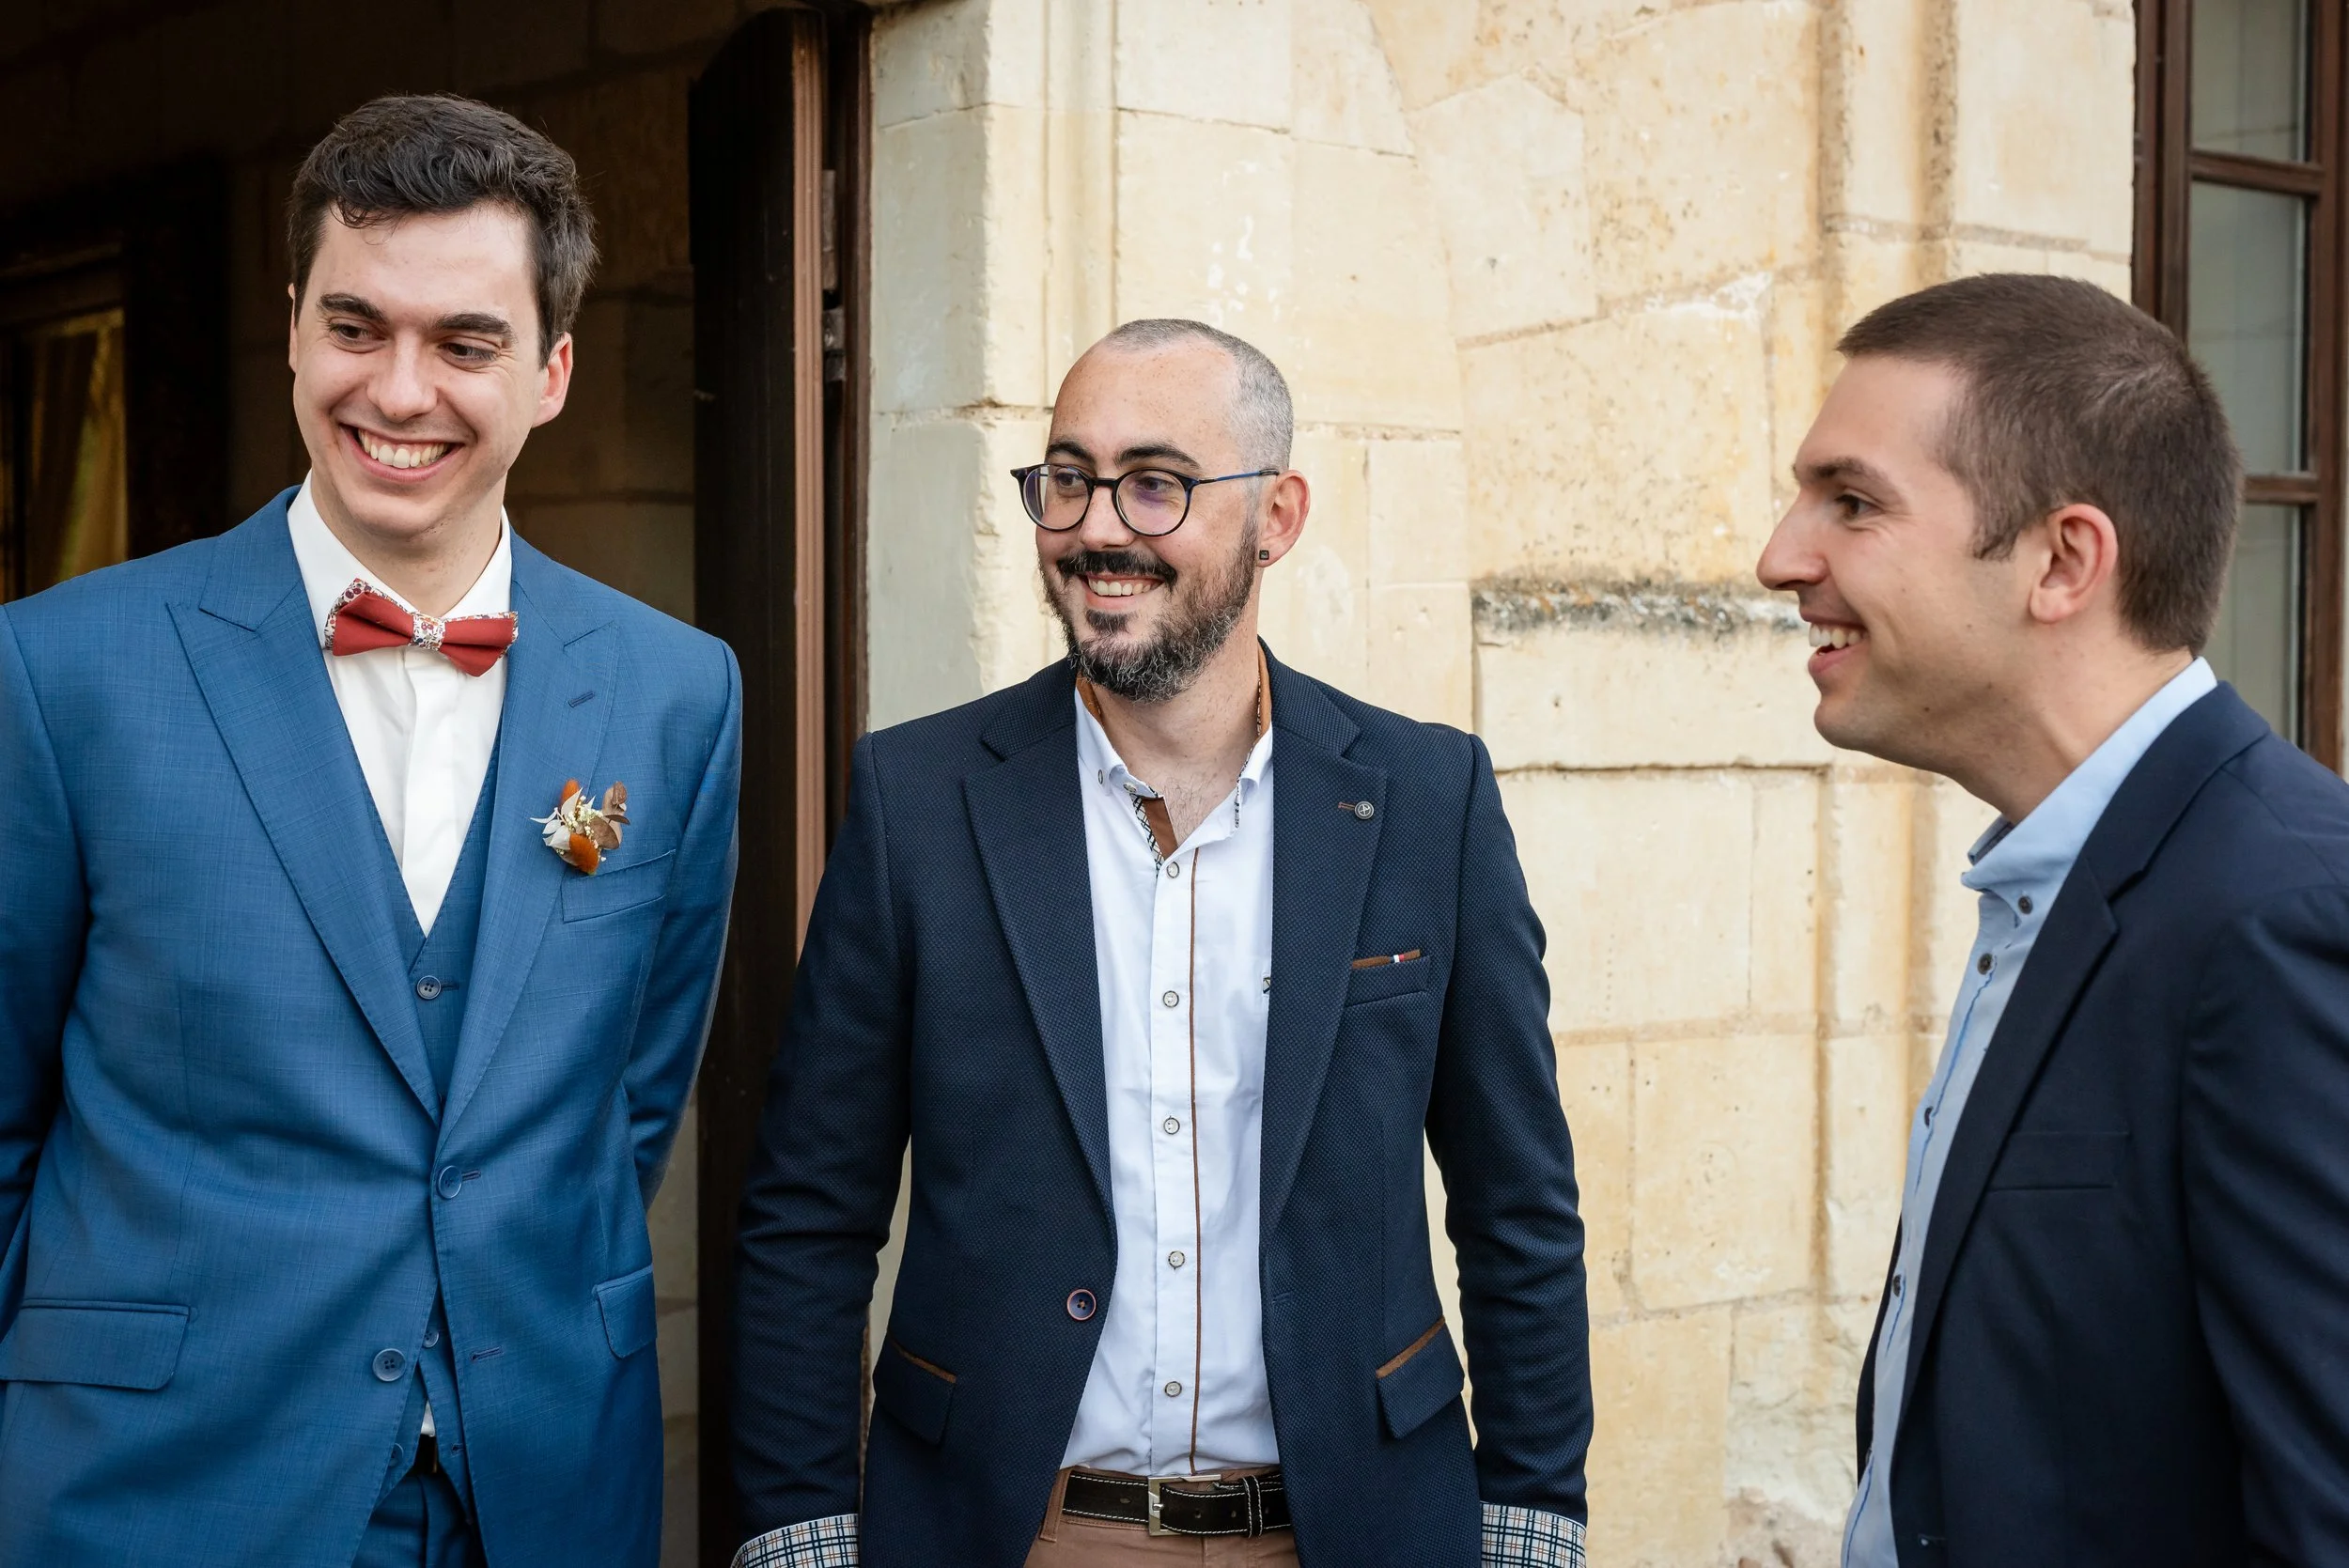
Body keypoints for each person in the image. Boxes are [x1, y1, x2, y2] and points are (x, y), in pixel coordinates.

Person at [0, 95, 740, 1567]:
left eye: (465, 343)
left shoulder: (677, 692)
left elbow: (625, 1106)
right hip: (161, 1490)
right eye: (356, 328)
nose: (401, 392)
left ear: (552, 371)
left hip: (540, 1487)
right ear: (292, 330)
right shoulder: (59, 670)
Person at [727, 319, 1592, 1567]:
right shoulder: (917, 800)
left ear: (1276, 516)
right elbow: (808, 1214)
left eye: (1155, 484)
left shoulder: (1425, 799)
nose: (1095, 528)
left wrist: (1532, 1518)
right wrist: (801, 1531)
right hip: (1016, 1531)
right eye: (1067, 479)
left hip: (1351, 1529)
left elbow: (1519, 1209)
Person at [1760, 272, 2349, 1566]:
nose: (1782, 558)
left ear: (2064, 562)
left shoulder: (2285, 918)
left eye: (1852, 502)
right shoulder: (2071, 876)